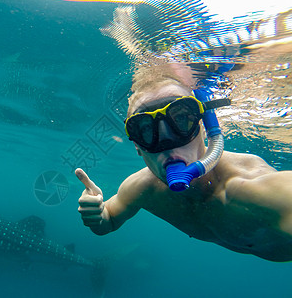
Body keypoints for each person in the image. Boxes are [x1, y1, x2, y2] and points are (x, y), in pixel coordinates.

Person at [75, 64, 292, 262]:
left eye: (181, 120)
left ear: (204, 127)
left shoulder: (251, 188)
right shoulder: (142, 188)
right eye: (146, 130)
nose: (168, 143)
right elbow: (109, 220)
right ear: (138, 147)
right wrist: (97, 215)